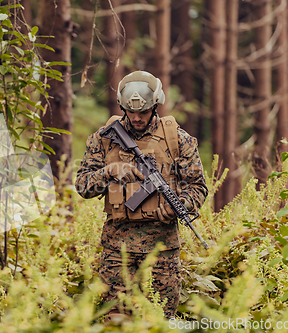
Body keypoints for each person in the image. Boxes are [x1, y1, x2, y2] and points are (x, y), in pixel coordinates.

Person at [75, 70, 208, 322]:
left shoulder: (178, 140)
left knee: (159, 321)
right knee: (114, 321)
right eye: (131, 112)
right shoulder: (104, 139)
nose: (136, 118)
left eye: (143, 112)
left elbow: (198, 187)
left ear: (156, 106)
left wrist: (179, 206)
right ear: (122, 107)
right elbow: (83, 186)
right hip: (117, 250)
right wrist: (109, 172)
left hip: (162, 250)